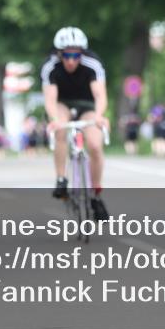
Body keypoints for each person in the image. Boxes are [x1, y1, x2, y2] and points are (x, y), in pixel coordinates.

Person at [42, 26, 111, 220]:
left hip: (87, 105)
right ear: (59, 53)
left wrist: (99, 115)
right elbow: (50, 99)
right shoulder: (50, 66)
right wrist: (55, 120)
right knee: (61, 130)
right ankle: (62, 179)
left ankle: (96, 195)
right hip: (62, 103)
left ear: (82, 53)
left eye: (76, 54)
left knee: (95, 144)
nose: (71, 60)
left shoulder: (93, 63)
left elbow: (100, 95)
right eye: (67, 55)